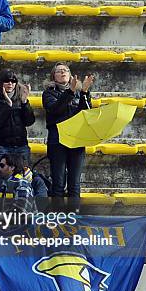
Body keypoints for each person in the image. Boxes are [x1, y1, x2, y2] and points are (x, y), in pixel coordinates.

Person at [42, 63, 94, 201]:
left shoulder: (79, 92)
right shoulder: (49, 93)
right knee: (58, 183)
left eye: (65, 70)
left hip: (76, 140)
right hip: (57, 140)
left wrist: (84, 93)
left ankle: (74, 217)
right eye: (59, 71)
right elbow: (55, 110)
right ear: (54, 76)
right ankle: (57, 217)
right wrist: (69, 92)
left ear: (70, 75)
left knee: (74, 184)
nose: (63, 72)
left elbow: (86, 113)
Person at [0, 68, 35, 185]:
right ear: (1, 83)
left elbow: (29, 121)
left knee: (24, 182)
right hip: (1, 146)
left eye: (13, 81)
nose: (10, 83)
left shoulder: (21, 99)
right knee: (3, 184)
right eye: (6, 81)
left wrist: (25, 103)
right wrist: (8, 107)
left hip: (21, 145)